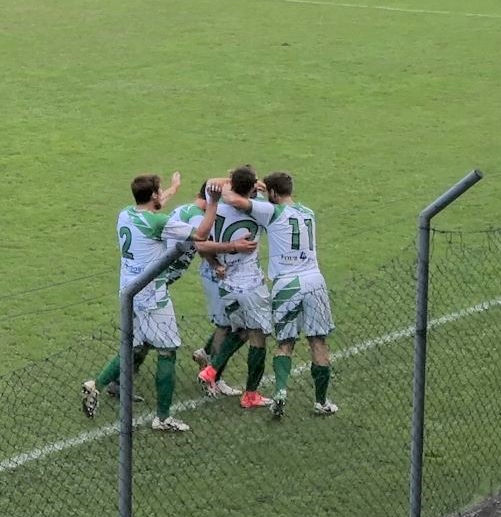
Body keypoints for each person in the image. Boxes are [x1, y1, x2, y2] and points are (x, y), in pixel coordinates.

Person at [82, 172, 228, 433]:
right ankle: (163, 417)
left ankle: (96, 385)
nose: (162, 195)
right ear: (152, 196)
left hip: (129, 290)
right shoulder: (158, 222)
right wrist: (213, 202)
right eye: (159, 191)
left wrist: (173, 188)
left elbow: (155, 205)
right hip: (152, 295)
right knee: (167, 351)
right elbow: (202, 233)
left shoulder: (125, 213)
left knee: (134, 344)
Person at [197, 167, 279, 410]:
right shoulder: (262, 211)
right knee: (258, 337)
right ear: (253, 188)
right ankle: (250, 394)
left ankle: (211, 369)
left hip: (226, 283)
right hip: (250, 284)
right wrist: (256, 185)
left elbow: (202, 246)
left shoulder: (216, 210)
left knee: (241, 330)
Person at [263, 172, 338, 419]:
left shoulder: (271, 213)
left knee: (285, 343)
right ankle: (321, 401)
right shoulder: (309, 212)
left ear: (272, 192)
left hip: (287, 284)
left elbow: (238, 201)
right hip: (314, 280)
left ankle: (281, 392)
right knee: (318, 341)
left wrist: (256, 188)